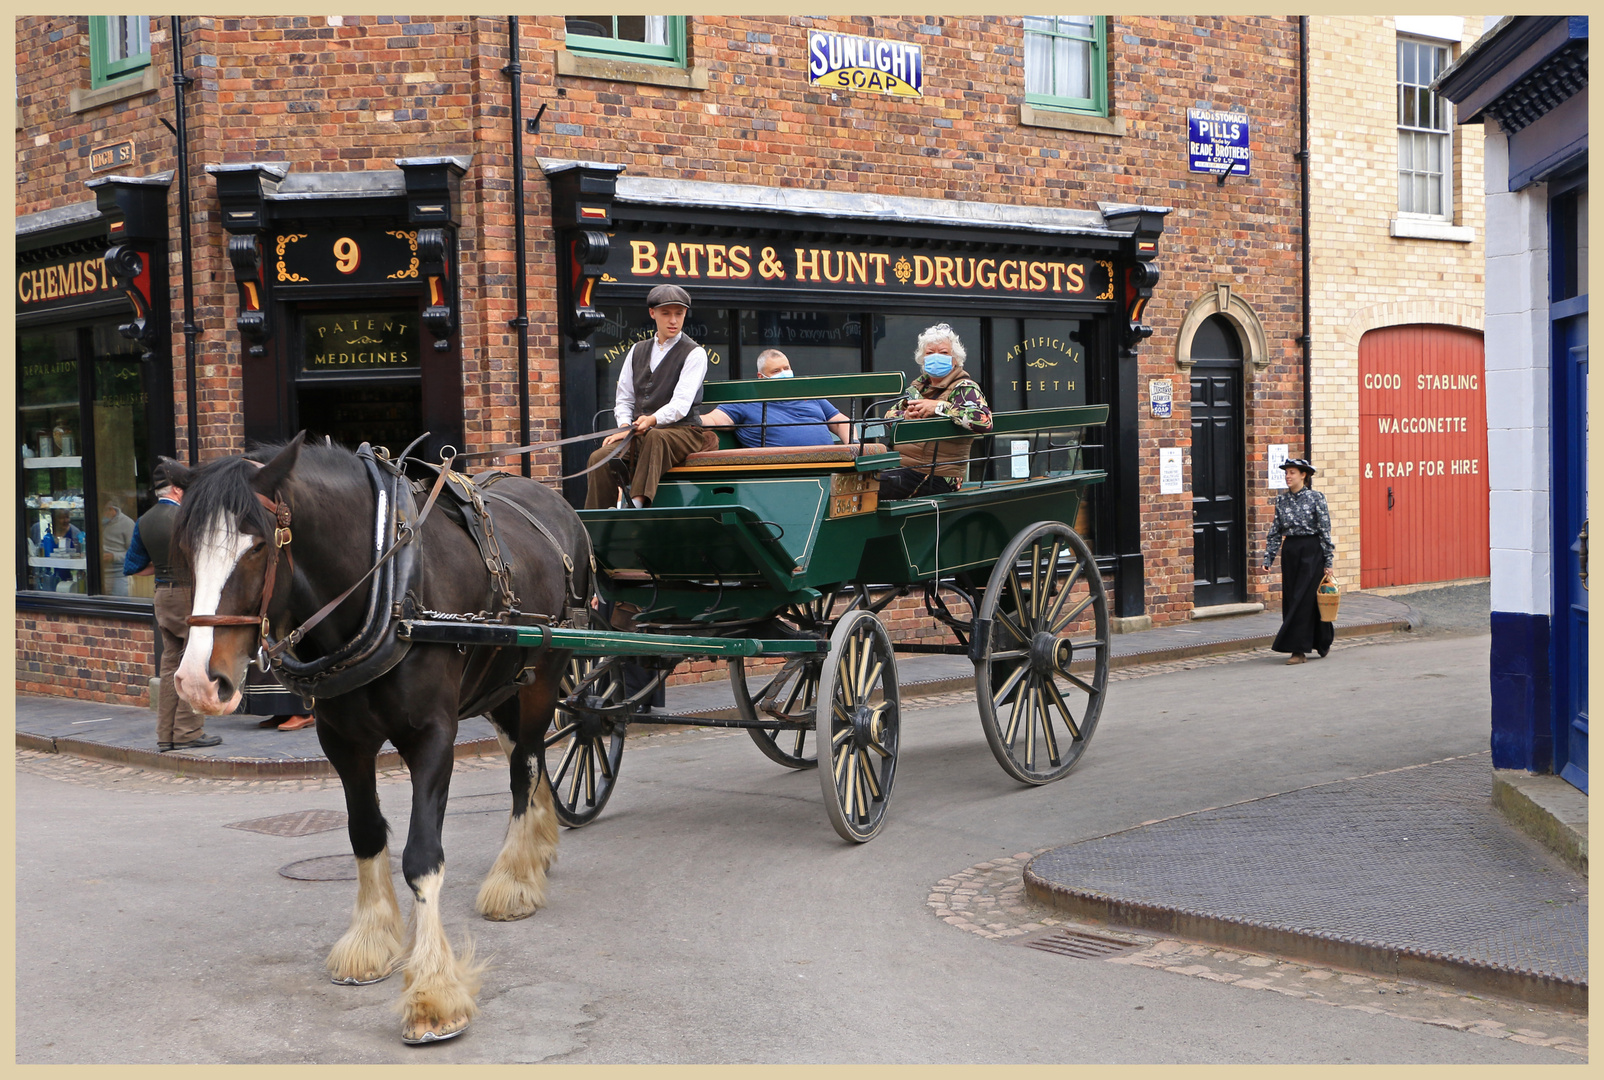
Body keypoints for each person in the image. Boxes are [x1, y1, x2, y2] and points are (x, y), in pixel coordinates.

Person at [584, 284, 714, 509]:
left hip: (684, 432)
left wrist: (652, 420)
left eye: (679, 313)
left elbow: (681, 405)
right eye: (666, 313)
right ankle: (596, 522)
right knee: (600, 457)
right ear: (652, 313)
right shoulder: (637, 350)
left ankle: (634, 506)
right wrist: (625, 426)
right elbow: (624, 398)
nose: (673, 320)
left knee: (656, 438)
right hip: (642, 433)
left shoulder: (695, 353)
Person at [124, 462, 222, 751]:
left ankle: (165, 735)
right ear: (178, 490)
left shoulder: (144, 520)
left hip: (162, 597)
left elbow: (133, 566)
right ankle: (188, 732)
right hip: (188, 595)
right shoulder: (185, 518)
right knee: (194, 662)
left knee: (170, 665)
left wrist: (164, 568)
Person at [879, 323, 993, 500]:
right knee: (853, 479)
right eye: (930, 353)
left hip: (936, 475)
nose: (936, 357)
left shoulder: (964, 387)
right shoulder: (918, 388)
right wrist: (905, 417)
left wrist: (938, 407)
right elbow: (889, 416)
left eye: (944, 352)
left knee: (869, 487)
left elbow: (984, 420)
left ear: (955, 359)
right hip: (900, 467)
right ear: (923, 359)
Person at [1262, 457, 1335, 665]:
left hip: (1312, 551)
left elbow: (1324, 531)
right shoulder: (1281, 500)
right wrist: (1269, 557)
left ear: (1303, 475)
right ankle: (1323, 640)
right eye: (1286, 473)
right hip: (1291, 551)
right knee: (1294, 598)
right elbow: (1275, 531)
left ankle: (1298, 650)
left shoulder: (1316, 498)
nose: (1288, 476)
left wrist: (1328, 561)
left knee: (1304, 599)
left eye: (1292, 473)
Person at [701, 349, 851, 447]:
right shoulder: (745, 401)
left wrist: (854, 444)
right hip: (784, 470)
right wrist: (687, 420)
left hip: (832, 465)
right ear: (761, 377)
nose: (784, 373)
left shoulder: (808, 394)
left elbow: (840, 422)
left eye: (786, 368)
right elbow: (714, 419)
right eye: (776, 371)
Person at [99, 496, 136, 597]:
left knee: (120, 606)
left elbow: (133, 554)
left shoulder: (127, 523)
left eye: (100, 513)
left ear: (110, 509)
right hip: (100, 574)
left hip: (120, 574)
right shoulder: (96, 522)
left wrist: (114, 556)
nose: (99, 516)